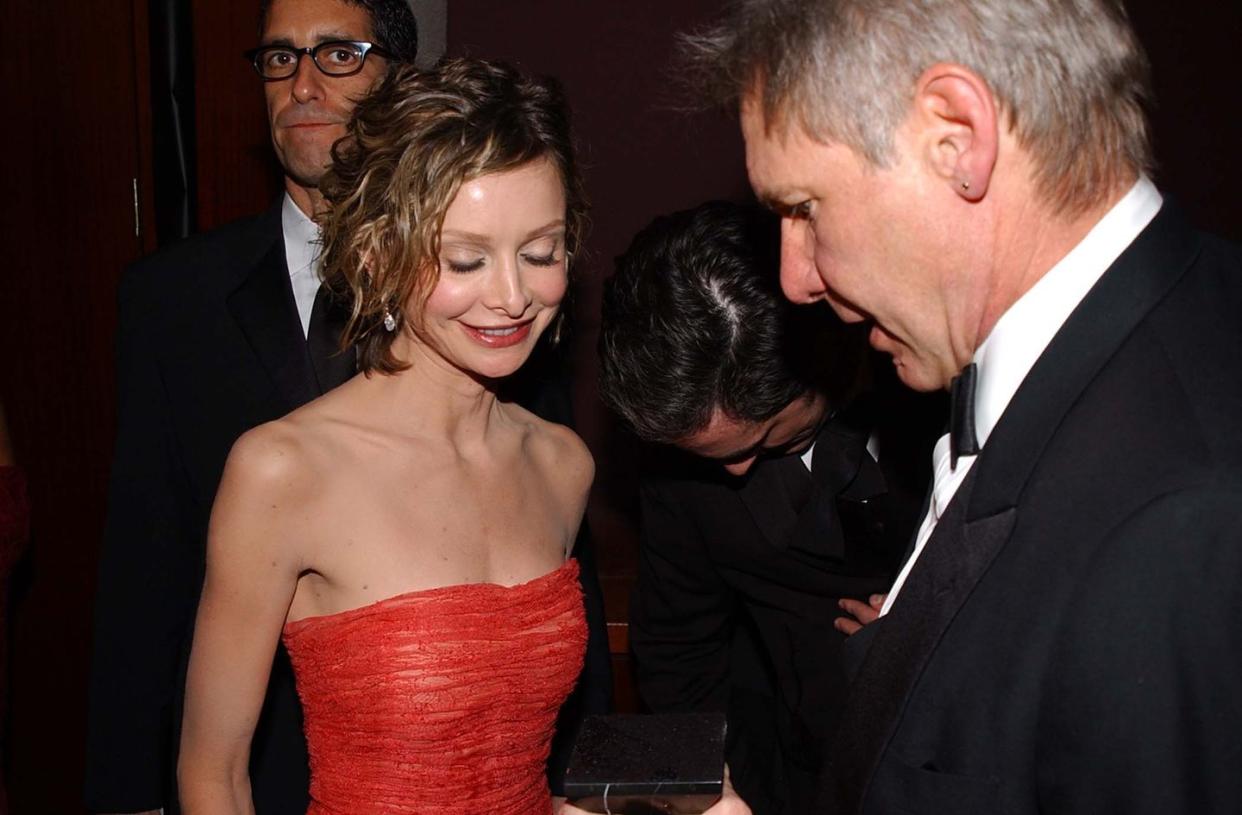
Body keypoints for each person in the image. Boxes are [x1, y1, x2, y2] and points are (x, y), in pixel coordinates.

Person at [687, 0, 1242, 812]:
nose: (795, 277)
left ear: (956, 138)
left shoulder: (1180, 528)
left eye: (804, 208)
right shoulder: (1132, 342)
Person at [85, 3, 607, 813]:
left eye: (541, 252)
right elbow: (212, 775)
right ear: (377, 253)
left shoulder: (562, 464)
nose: (512, 296)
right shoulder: (280, 469)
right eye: (466, 259)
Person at [598, 201, 937, 814]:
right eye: (709, 454)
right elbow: (680, 654)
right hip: (792, 773)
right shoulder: (685, 454)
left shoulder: (941, 381)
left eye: (760, 438)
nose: (734, 470)